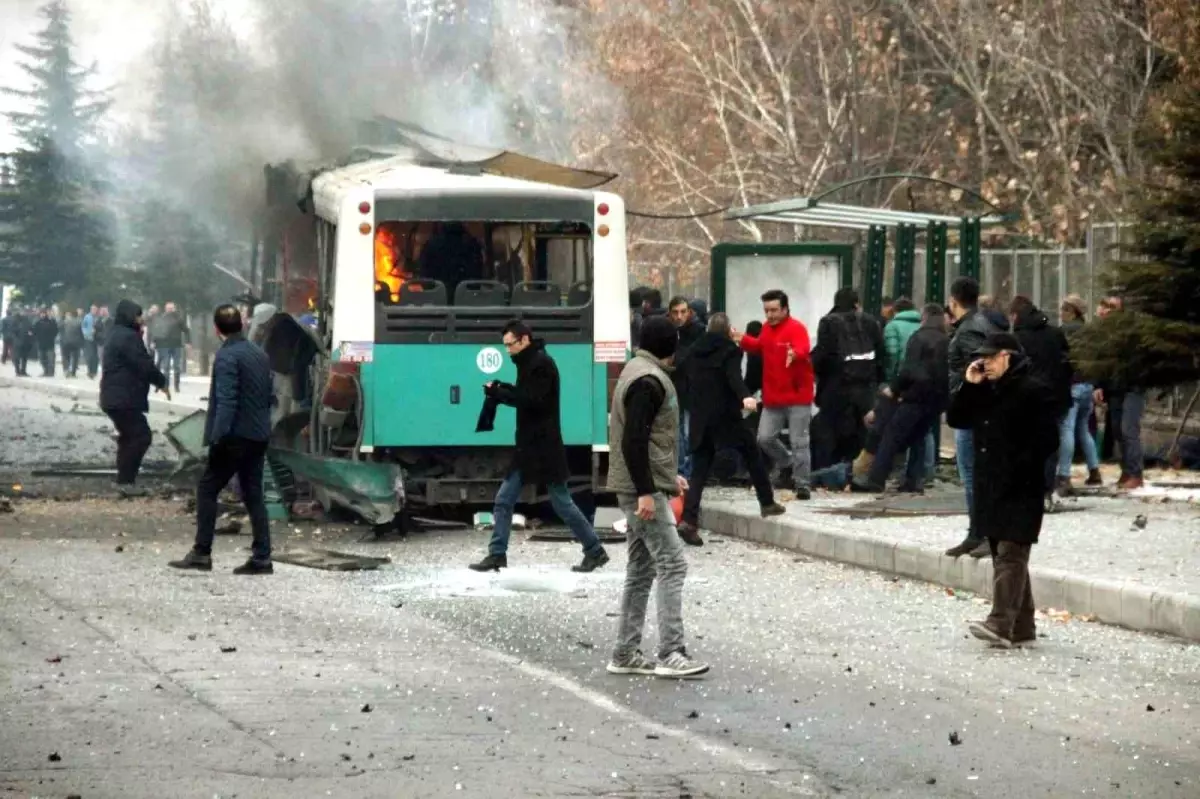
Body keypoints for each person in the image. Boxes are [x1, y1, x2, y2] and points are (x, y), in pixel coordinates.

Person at [605, 314, 708, 679]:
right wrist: (648, 491)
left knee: (641, 569)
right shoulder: (650, 381)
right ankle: (671, 652)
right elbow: (634, 441)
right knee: (672, 564)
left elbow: (645, 442)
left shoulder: (635, 371)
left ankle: (625, 652)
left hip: (637, 486)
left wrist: (666, 477)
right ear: (671, 345)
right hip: (640, 492)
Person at [469, 321, 609, 573]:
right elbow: (526, 395)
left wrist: (501, 394)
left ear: (524, 340)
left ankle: (595, 550)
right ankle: (497, 554)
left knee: (560, 503)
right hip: (532, 447)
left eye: (510, 345)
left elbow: (532, 400)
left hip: (542, 449)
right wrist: (501, 389)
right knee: (506, 500)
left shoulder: (540, 364)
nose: (507, 351)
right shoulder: (531, 362)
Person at [948, 332, 1059, 648]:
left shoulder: (1033, 390)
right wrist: (969, 385)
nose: (984, 363)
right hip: (992, 486)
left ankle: (999, 623)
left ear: (1007, 356)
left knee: (1011, 551)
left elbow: (1048, 440)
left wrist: (1021, 468)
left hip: (1021, 486)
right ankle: (1022, 626)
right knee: (1003, 551)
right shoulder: (987, 389)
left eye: (990, 357)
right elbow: (958, 419)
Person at [169, 305, 276, 575]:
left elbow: (227, 401)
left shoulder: (227, 357)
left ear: (217, 330)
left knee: (207, 489)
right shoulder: (258, 353)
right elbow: (268, 396)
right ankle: (262, 557)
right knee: (254, 495)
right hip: (258, 435)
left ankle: (201, 553)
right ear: (241, 324)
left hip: (234, 437)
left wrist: (216, 438)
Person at [678, 312, 786, 544]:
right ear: (728, 331)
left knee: (699, 470)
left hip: (699, 417)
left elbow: (684, 380)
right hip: (725, 415)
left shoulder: (694, 351)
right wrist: (746, 397)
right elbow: (733, 377)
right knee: (752, 454)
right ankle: (767, 502)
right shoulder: (730, 350)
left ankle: (688, 520)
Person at [853, 303, 950, 493]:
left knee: (892, 435)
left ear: (925, 318)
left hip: (915, 396)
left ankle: (876, 479)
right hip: (936, 399)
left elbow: (908, 369)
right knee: (918, 437)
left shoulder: (919, 337)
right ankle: (914, 481)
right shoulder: (945, 340)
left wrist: (895, 390)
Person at [943, 277, 1004, 558]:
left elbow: (979, 369)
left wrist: (966, 392)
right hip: (976, 411)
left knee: (973, 475)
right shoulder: (982, 324)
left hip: (972, 412)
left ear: (954, 301)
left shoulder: (968, 331)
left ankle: (981, 533)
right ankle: (977, 532)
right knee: (974, 474)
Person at [735, 289, 814, 499]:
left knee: (799, 441)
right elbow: (759, 346)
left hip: (797, 396)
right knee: (764, 438)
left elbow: (803, 348)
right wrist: (741, 339)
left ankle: (802, 483)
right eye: (767, 310)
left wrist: (794, 353)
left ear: (785, 309)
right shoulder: (766, 330)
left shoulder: (796, 328)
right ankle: (787, 463)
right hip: (773, 396)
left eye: (774, 310)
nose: (770, 315)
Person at [99, 300, 170, 497]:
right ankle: (126, 481)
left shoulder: (116, 333)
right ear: (130, 316)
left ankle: (124, 480)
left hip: (115, 397)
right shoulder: (128, 337)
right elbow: (143, 364)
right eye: (138, 316)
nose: (141, 319)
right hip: (123, 398)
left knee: (128, 437)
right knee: (141, 436)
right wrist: (161, 381)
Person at [811, 287, 886, 471]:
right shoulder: (870, 321)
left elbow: (822, 355)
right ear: (856, 303)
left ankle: (826, 472)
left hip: (835, 388)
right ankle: (858, 473)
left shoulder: (828, 322)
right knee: (861, 433)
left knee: (828, 431)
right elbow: (881, 355)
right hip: (865, 389)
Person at [1007, 295, 1072, 506]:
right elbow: (1067, 363)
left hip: (1028, 398)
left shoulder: (1017, 338)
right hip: (1056, 397)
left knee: (1024, 444)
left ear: (1015, 315)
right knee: (1050, 444)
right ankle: (1047, 489)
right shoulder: (1056, 333)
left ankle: (1028, 490)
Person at [1092, 296, 1144, 490]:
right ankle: (1126, 470)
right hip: (1114, 388)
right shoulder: (1101, 334)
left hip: (1131, 386)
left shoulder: (1130, 334)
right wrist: (1098, 385)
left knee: (1128, 429)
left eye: (1111, 307)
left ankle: (1136, 473)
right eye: (1103, 306)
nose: (1105, 310)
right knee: (1117, 431)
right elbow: (1100, 362)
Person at [1056, 294, 1102, 493]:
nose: (1061, 314)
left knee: (1067, 429)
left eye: (1063, 310)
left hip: (1072, 386)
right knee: (1083, 430)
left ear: (1071, 311)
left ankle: (1064, 475)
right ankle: (1094, 471)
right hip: (1088, 385)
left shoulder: (1063, 332)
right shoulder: (1091, 332)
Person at [667, 295, 704, 480]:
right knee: (678, 431)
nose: (679, 316)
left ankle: (688, 471)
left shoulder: (698, 331)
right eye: (675, 312)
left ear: (689, 312)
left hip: (693, 388)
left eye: (683, 312)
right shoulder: (669, 331)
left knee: (688, 432)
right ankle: (682, 470)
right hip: (676, 387)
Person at [882, 298, 919, 383]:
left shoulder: (892, 326)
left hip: (900, 375)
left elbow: (892, 353)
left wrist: (889, 376)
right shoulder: (922, 325)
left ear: (895, 311)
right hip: (918, 375)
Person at [156, 301, 189, 393]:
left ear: (174, 309)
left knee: (177, 366)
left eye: (172, 308)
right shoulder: (162, 319)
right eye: (168, 308)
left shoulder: (179, 319)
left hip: (176, 345)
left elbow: (186, 330)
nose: (170, 310)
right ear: (165, 309)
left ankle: (176, 386)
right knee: (166, 367)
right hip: (165, 346)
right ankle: (166, 385)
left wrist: (188, 342)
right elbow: (157, 331)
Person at [32, 308, 58, 377]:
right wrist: (37, 338)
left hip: (50, 344)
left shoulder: (51, 322)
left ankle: (51, 372)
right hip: (41, 344)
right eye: (41, 314)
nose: (43, 315)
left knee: (50, 359)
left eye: (44, 313)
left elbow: (55, 331)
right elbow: (34, 332)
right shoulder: (38, 323)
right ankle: (45, 371)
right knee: (42, 359)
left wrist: (52, 338)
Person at [60, 309, 84, 377]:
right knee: (75, 358)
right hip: (76, 343)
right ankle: (73, 372)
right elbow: (81, 333)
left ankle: (66, 369)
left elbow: (61, 330)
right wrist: (82, 342)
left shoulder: (65, 321)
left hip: (66, 342)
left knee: (66, 356)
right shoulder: (79, 322)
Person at [82, 304, 99, 378]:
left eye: (95, 310)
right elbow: (83, 326)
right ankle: (90, 371)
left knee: (96, 356)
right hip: (89, 338)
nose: (94, 311)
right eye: (93, 309)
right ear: (91, 310)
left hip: (97, 339)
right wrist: (86, 334)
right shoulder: (87, 317)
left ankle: (94, 371)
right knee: (90, 355)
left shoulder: (98, 318)